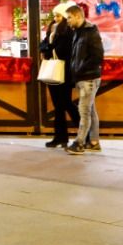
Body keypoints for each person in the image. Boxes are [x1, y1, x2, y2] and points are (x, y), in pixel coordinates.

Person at [63, 4, 104, 156]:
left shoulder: (90, 32)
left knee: (84, 110)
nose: (67, 21)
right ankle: (94, 142)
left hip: (89, 78)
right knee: (90, 110)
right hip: (83, 77)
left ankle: (79, 142)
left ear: (78, 16)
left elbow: (97, 56)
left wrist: (81, 69)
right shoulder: (78, 32)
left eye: (69, 17)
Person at [43, 8, 80, 146]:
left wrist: (49, 46)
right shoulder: (53, 30)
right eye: (55, 16)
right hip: (53, 71)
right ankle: (60, 137)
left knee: (66, 103)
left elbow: (61, 50)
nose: (56, 19)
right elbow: (43, 45)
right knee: (58, 106)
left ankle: (85, 134)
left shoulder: (68, 32)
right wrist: (49, 45)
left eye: (59, 16)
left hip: (64, 72)